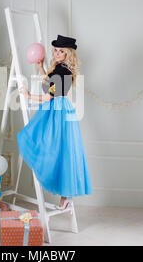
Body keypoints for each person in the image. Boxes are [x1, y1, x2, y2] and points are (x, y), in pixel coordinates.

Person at [18, 35, 92, 210]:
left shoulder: (63, 71)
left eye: (61, 51)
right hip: (57, 107)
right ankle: (65, 196)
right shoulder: (60, 68)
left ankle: (66, 196)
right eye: (56, 50)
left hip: (56, 109)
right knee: (59, 148)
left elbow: (48, 96)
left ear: (68, 54)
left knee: (57, 148)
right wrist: (41, 67)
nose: (57, 53)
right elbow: (50, 84)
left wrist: (29, 96)